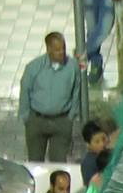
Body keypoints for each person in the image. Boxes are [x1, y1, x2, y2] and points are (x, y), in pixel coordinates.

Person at [18, 32, 84, 161]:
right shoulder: (34, 67)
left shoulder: (72, 67)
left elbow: (76, 90)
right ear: (49, 49)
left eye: (63, 48)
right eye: (57, 50)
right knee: (35, 162)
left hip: (61, 121)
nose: (62, 52)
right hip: (37, 120)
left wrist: (71, 115)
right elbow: (25, 90)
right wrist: (26, 117)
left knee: (59, 163)